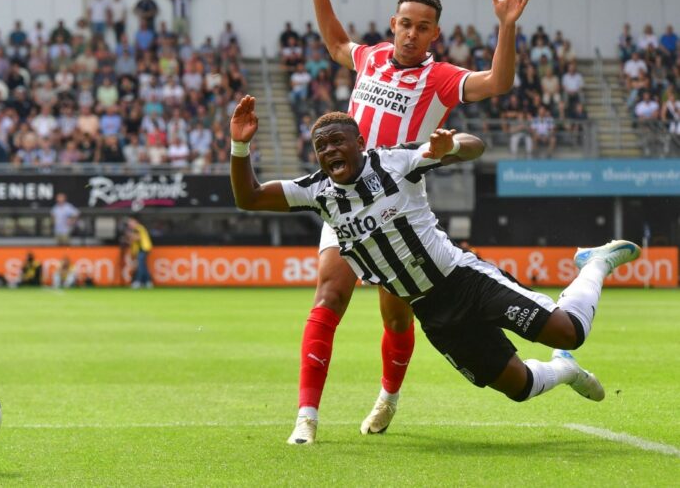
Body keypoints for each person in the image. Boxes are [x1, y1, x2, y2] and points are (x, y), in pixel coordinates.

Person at [229, 96, 642, 443]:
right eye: (322, 147)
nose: (330, 151)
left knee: (568, 330)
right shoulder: (317, 191)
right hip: (433, 314)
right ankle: (564, 369)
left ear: (359, 141)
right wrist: (240, 146)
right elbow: (248, 197)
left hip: (465, 282)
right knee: (517, 386)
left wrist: (451, 147)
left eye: (338, 141)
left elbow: (473, 143)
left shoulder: (395, 162)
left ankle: (596, 262)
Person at [293, 0, 532, 445]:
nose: (411, 34)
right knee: (328, 296)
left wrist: (506, 28)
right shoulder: (372, 57)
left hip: (397, 210)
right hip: (345, 203)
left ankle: (389, 396)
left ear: (434, 36)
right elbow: (337, 43)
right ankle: (306, 418)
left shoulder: (441, 77)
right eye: (405, 24)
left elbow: (498, 83)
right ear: (393, 25)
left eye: (422, 28)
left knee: (396, 316)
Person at [127, 217, 153, 289]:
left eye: (131, 222)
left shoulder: (137, 228)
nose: (129, 224)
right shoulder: (140, 228)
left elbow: (137, 238)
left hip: (143, 248)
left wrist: (130, 237)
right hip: (144, 248)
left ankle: (138, 281)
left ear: (135, 221)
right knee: (143, 266)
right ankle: (148, 282)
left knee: (140, 266)